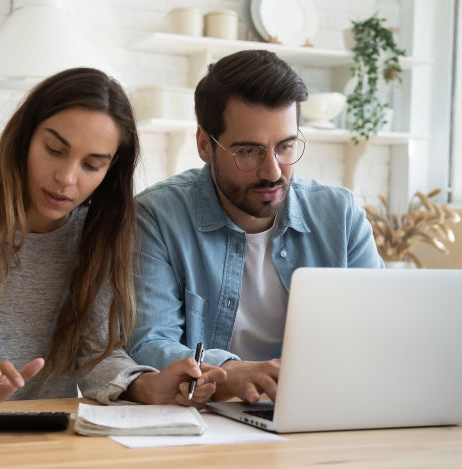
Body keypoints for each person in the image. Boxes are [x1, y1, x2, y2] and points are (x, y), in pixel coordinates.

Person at [0, 68, 225, 415]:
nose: (66, 178)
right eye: (55, 149)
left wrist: (150, 385)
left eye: (92, 165)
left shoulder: (96, 233)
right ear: (25, 137)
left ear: (110, 169)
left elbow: (95, 358)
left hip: (43, 441)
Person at [127, 50, 383, 404]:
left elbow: (380, 330)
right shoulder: (155, 216)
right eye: (248, 152)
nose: (273, 171)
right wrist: (229, 372)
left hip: (323, 408)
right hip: (210, 420)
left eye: (286, 146)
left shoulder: (340, 215)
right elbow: (148, 343)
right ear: (204, 144)